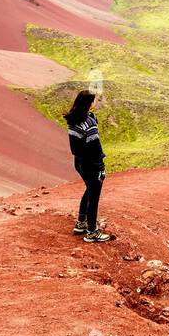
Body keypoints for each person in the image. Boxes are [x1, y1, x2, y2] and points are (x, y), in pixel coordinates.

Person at [65, 90, 110, 242]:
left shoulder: (73, 119)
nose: (96, 102)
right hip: (91, 163)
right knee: (94, 197)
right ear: (89, 104)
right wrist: (101, 167)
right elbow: (95, 147)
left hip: (79, 162)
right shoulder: (89, 123)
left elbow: (76, 147)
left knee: (90, 190)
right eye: (94, 100)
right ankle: (92, 232)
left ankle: (81, 222)